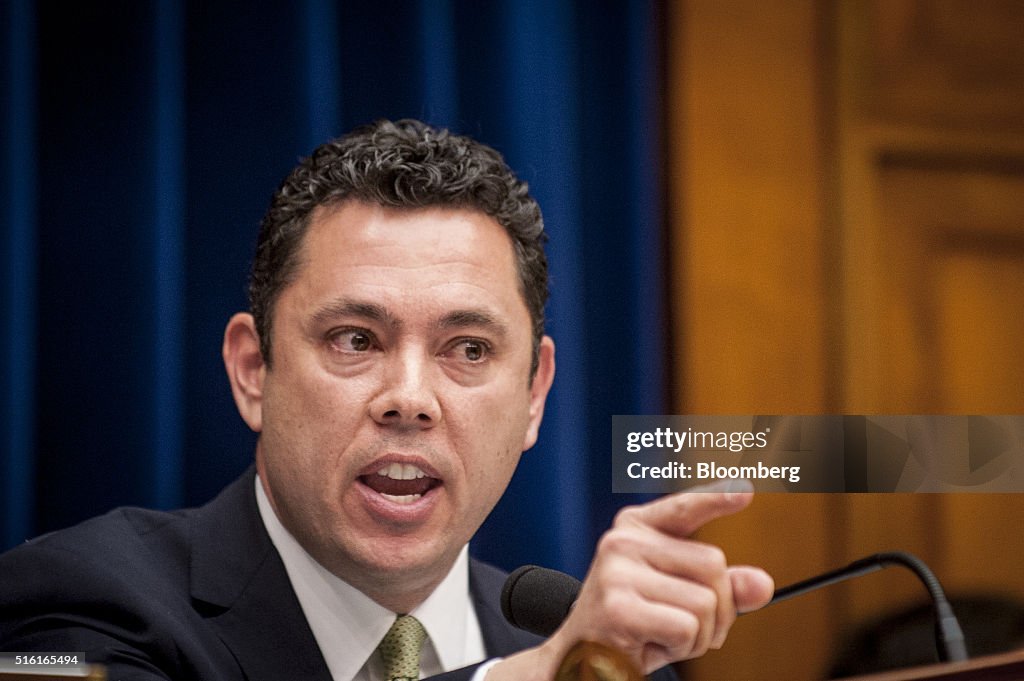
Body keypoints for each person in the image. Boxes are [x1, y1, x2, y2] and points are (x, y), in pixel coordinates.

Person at [0, 119, 774, 680]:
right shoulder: (85, 600)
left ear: (535, 394)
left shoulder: (594, 659)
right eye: (354, 339)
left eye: (467, 350)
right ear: (251, 370)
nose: (409, 399)